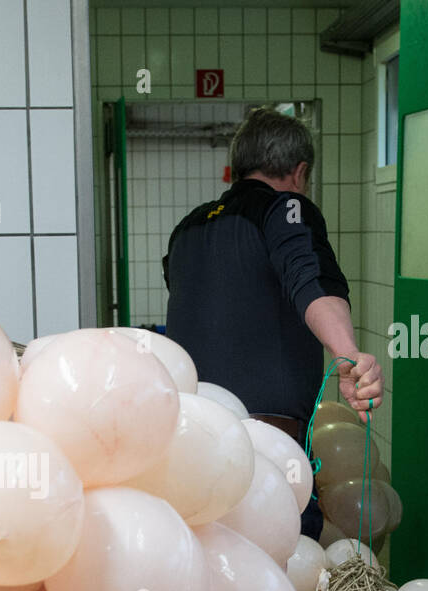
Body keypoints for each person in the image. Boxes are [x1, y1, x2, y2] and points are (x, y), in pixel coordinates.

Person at [163, 107, 382, 539]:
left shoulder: (186, 229)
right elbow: (310, 278)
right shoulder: (287, 209)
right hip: (267, 448)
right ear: (299, 173)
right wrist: (349, 356)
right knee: (283, 561)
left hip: (191, 438)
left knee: (211, 559)